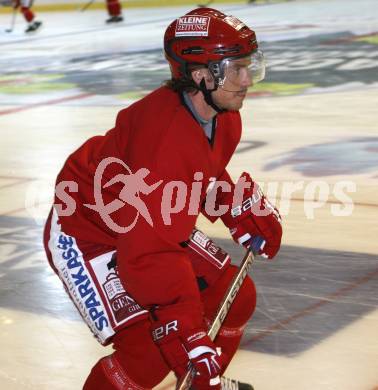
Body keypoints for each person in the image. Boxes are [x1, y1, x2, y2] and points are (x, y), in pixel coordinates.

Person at [43, 7, 282, 390]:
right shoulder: (162, 145)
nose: (247, 80)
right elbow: (149, 252)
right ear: (202, 75)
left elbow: (195, 172)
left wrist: (232, 207)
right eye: (235, 68)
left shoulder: (223, 116)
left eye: (248, 66)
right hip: (87, 228)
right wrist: (183, 326)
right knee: (149, 353)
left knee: (235, 298)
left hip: (145, 222)